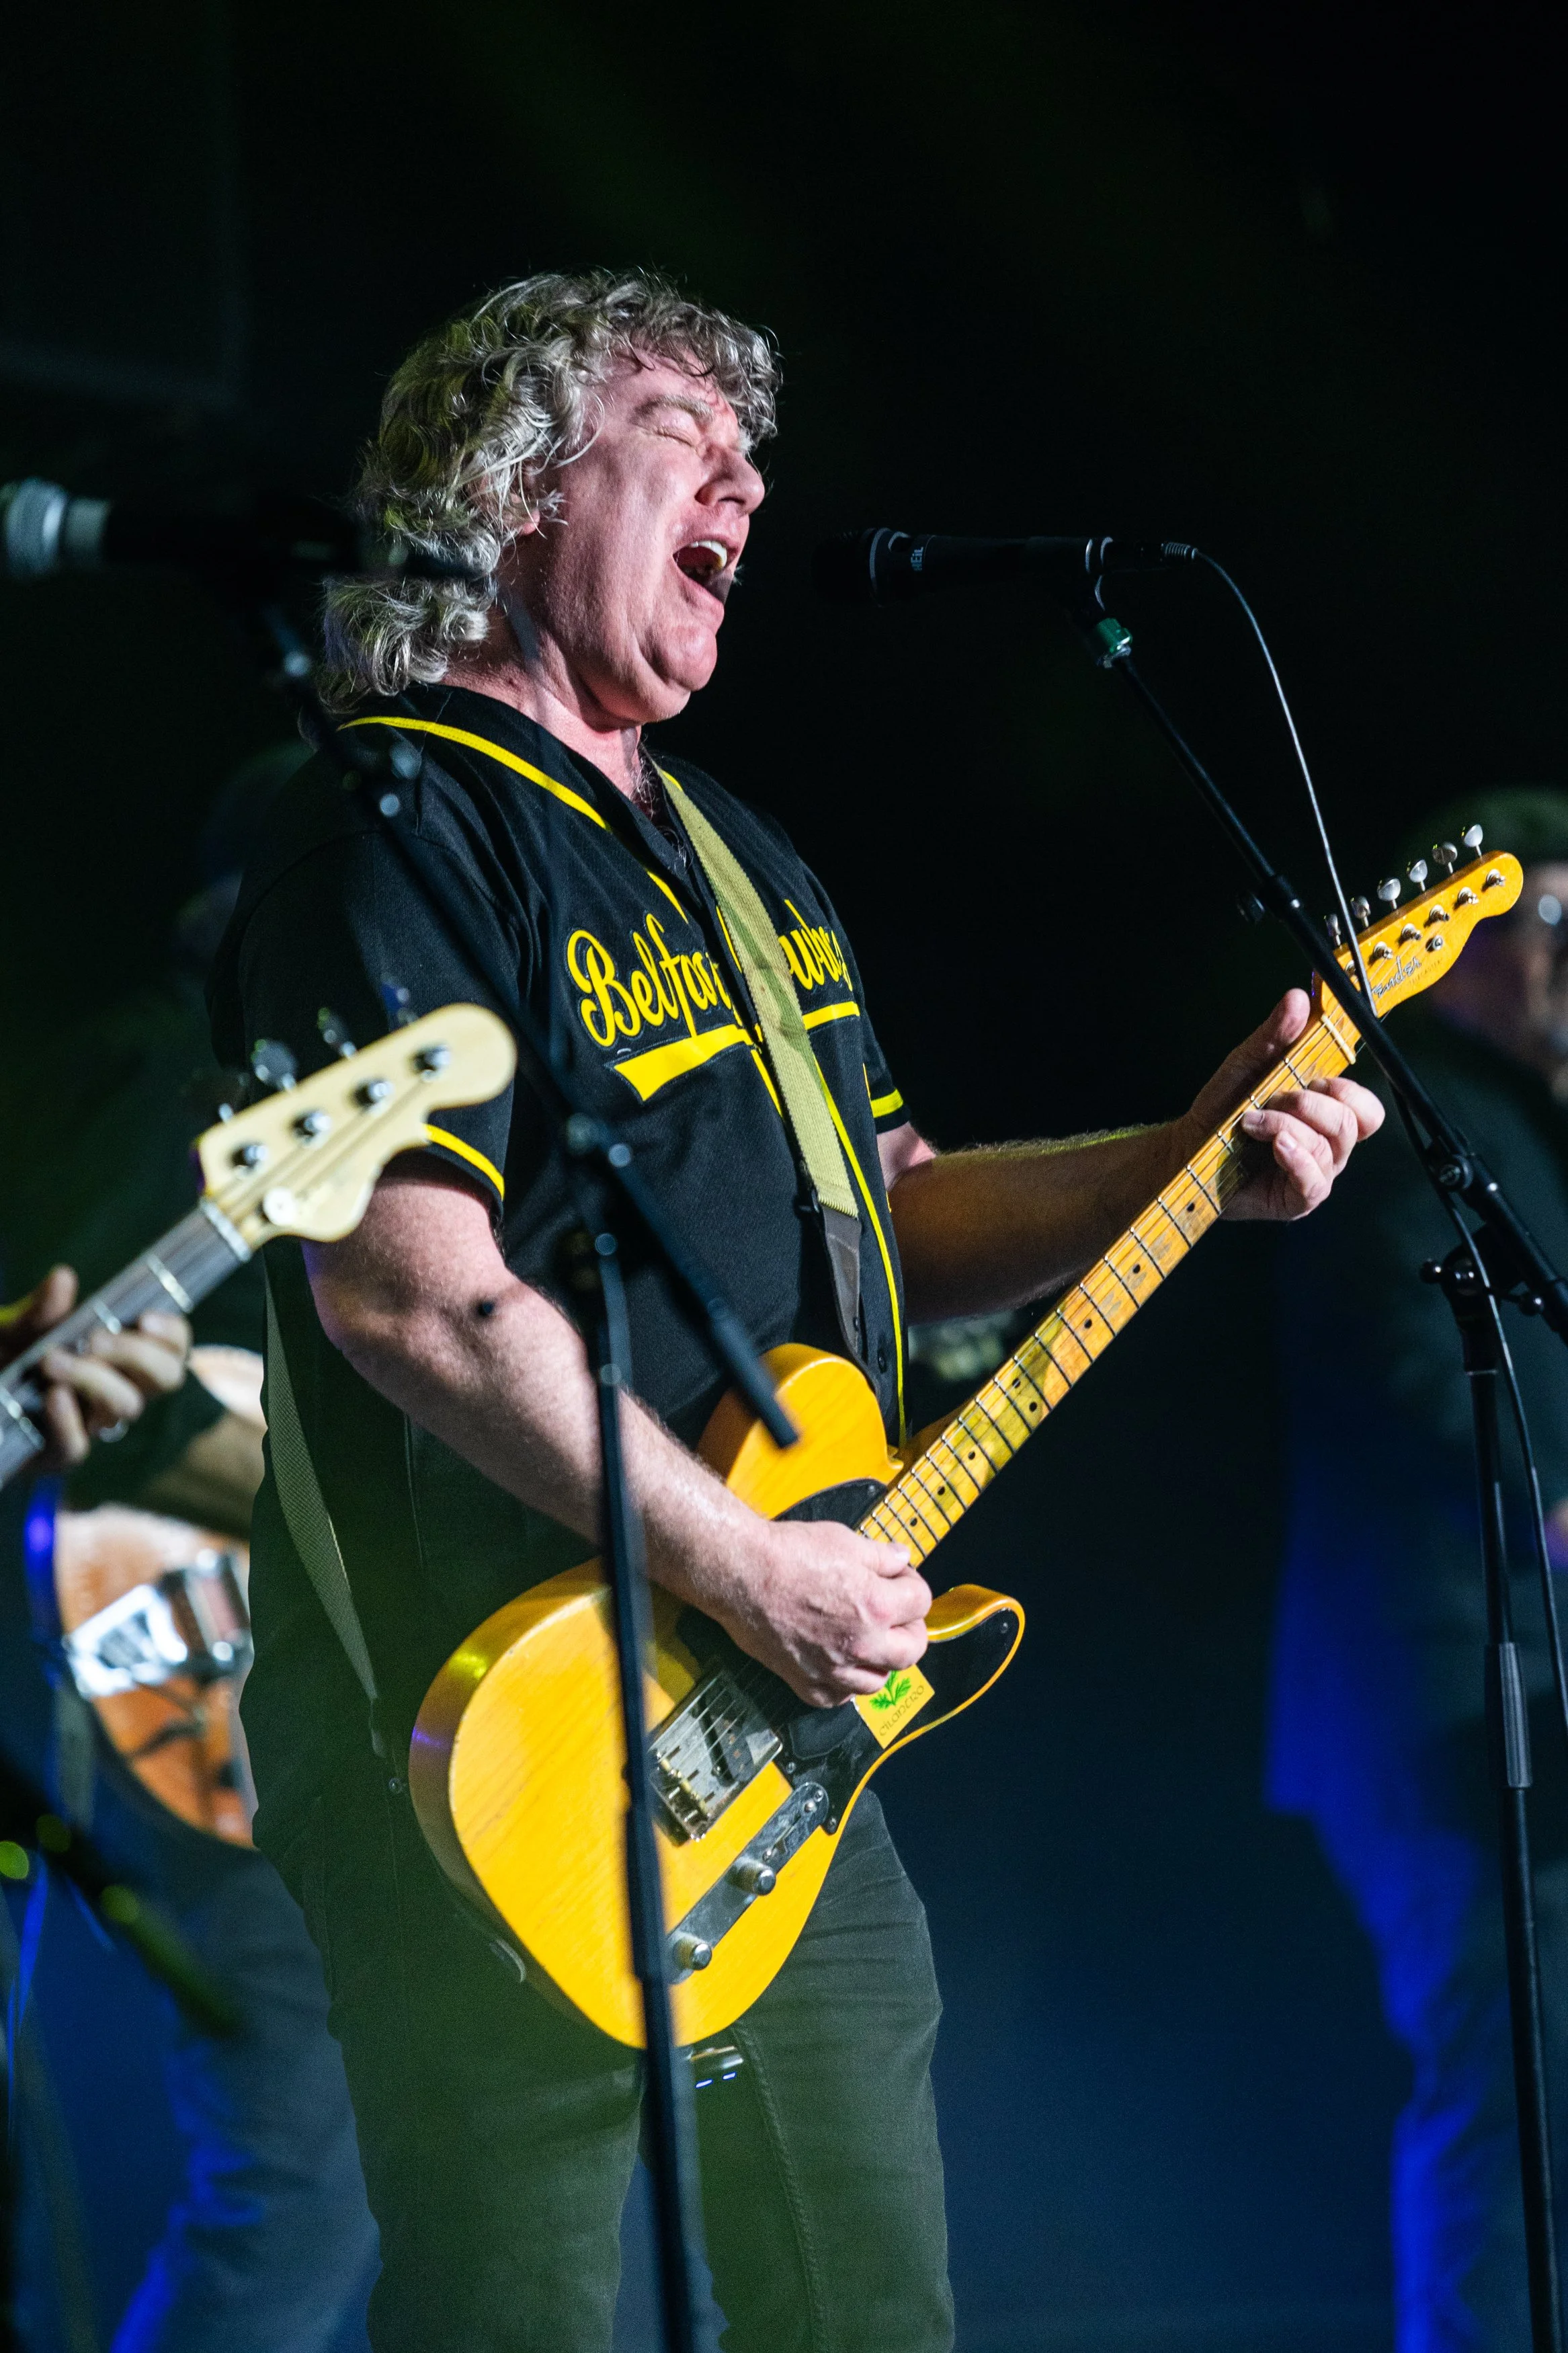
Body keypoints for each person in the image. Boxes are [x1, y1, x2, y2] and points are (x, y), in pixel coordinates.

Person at [207, 268, 1382, 2353]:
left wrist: (1184, 1153)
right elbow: (406, 1294)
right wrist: (751, 1560)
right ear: (513, 481)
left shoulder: (744, 868)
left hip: (769, 1741)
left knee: (869, 2309)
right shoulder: (379, 827)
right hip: (492, 1738)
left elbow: (899, 1218)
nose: (751, 480)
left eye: (758, 449)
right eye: (689, 432)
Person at [0, 760, 378, 2353]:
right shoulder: (166, 1075)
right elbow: (55, 1373)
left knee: (314, 2161)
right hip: (162, 1669)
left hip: (220, 1667)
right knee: (303, 2165)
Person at [1268, 789, 1568, 2351]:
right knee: (1511, 2092)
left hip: (1501, 1689)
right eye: (1551, 920)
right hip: (1435, 1695)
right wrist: (1557, 1514)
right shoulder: (1403, 1127)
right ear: (1451, 938)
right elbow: (1396, 1384)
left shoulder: (1506, 1126)